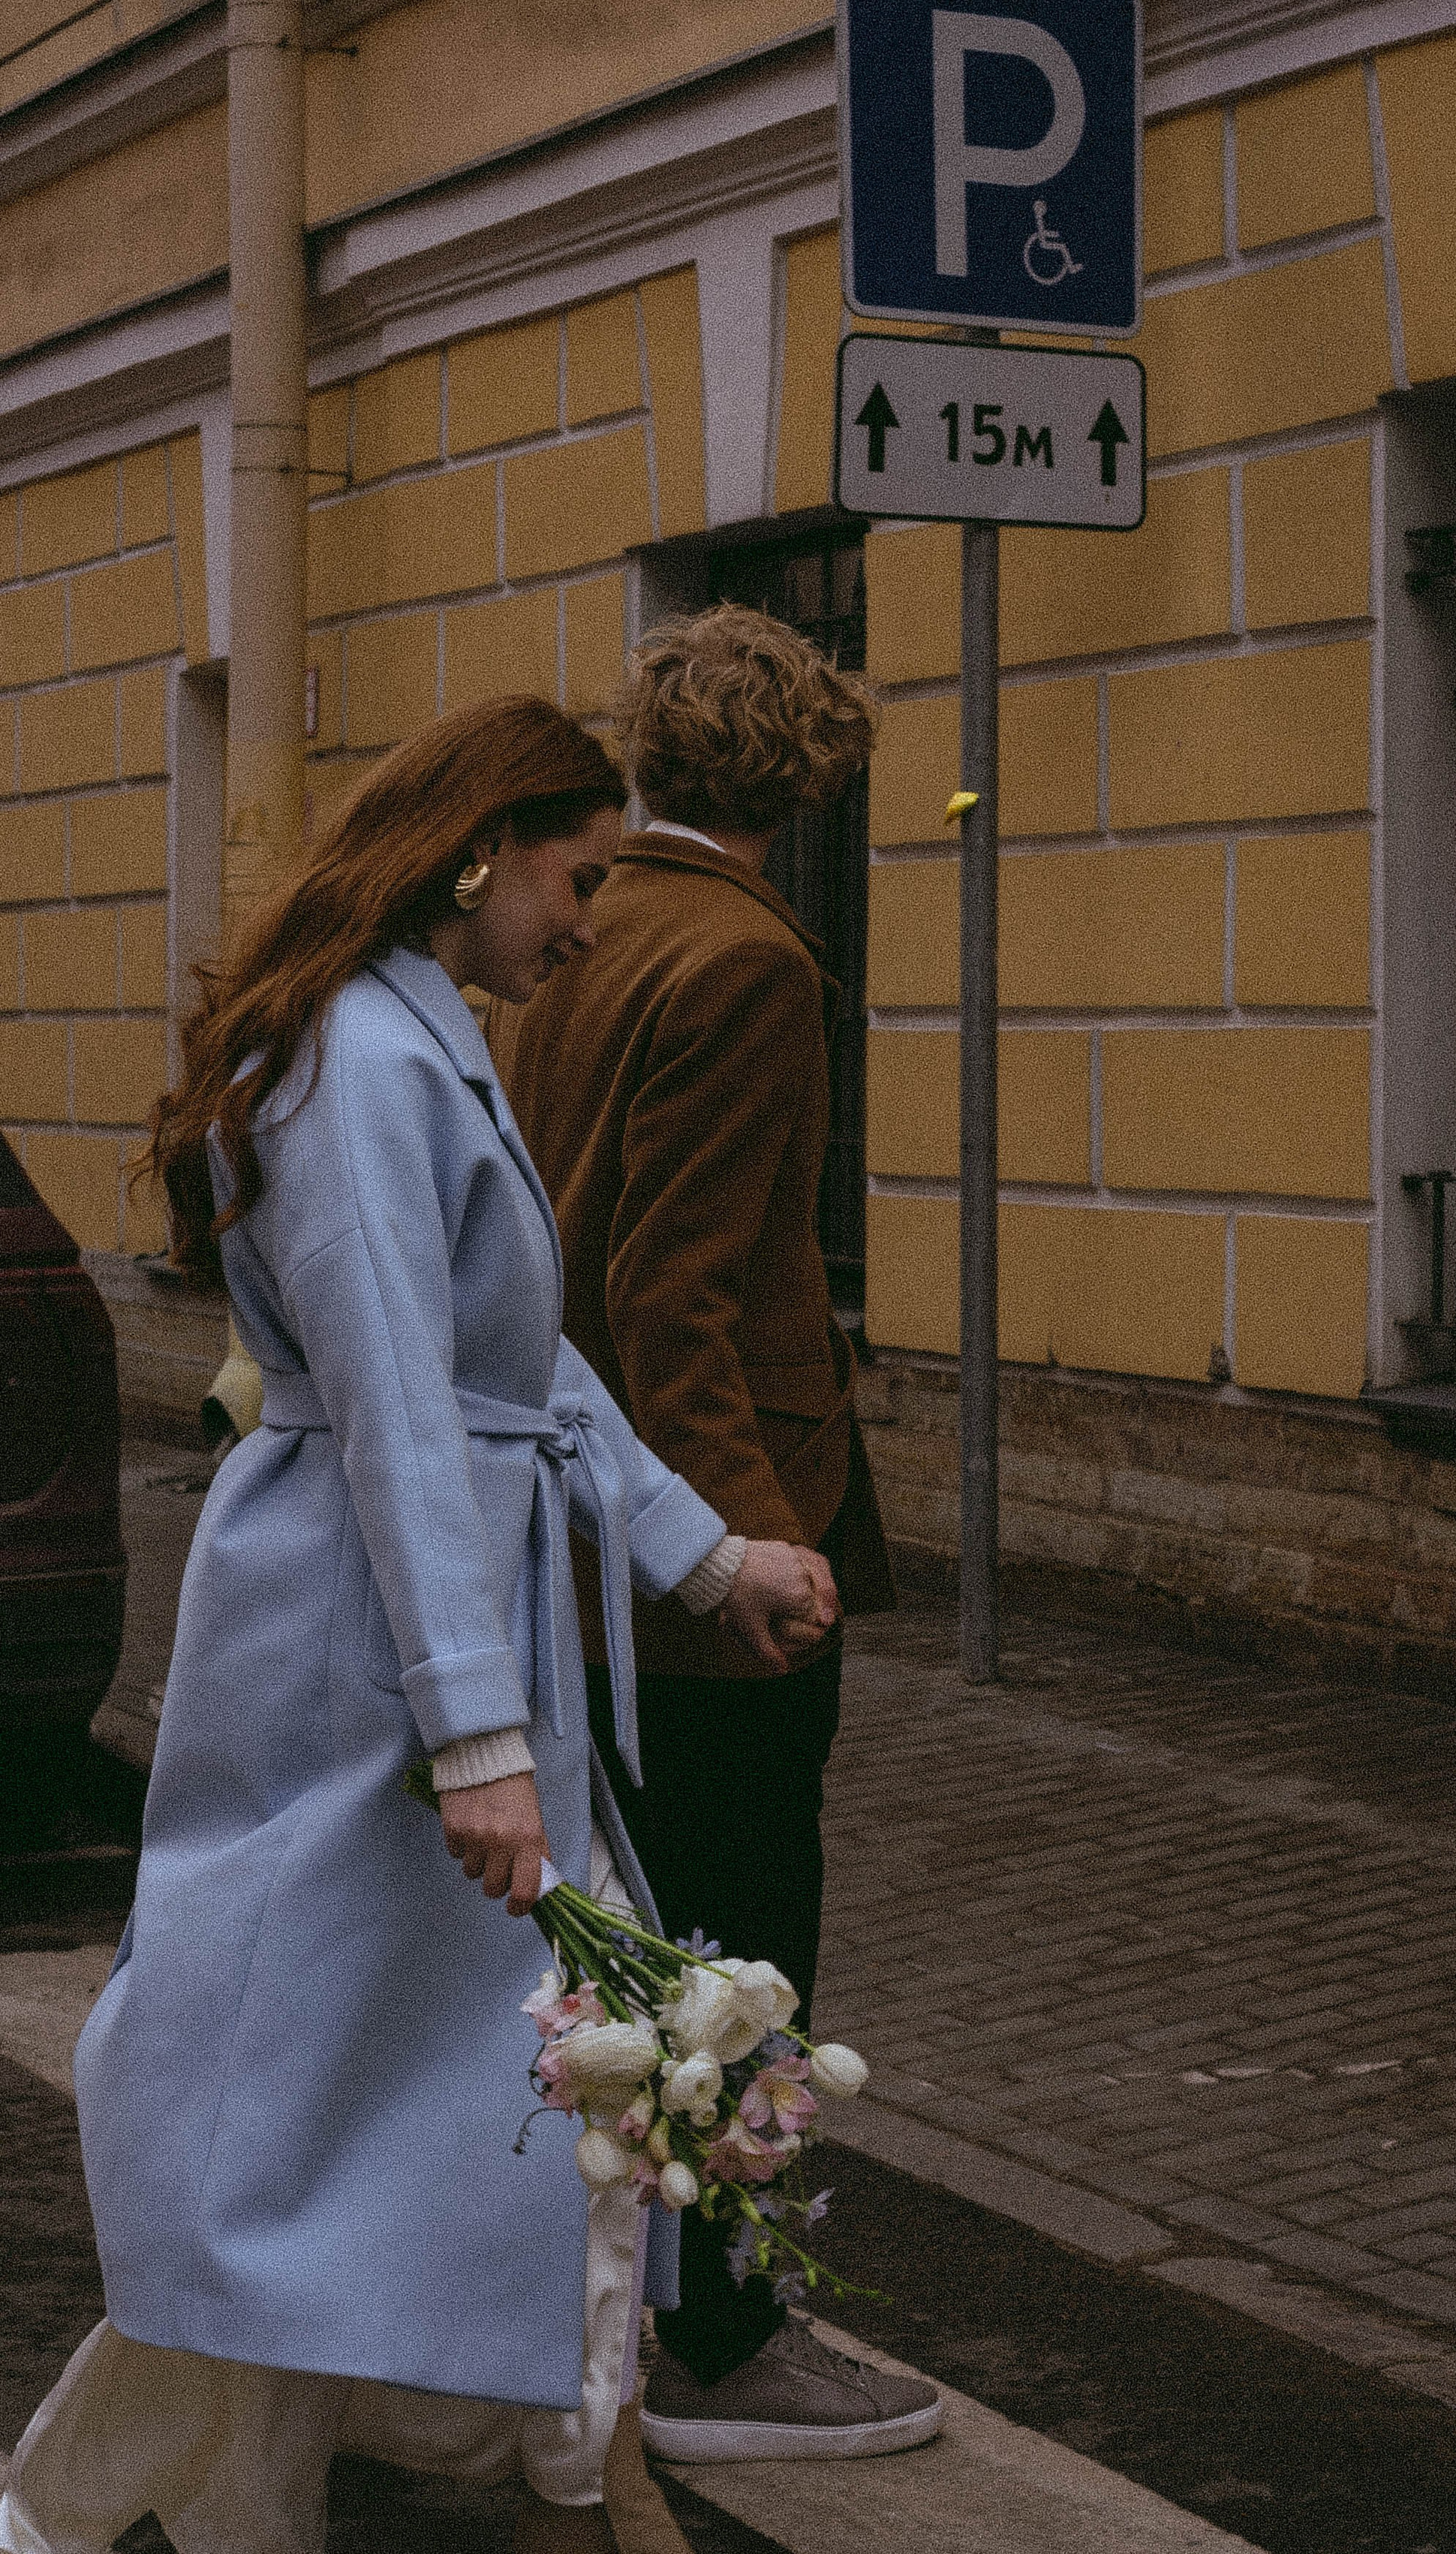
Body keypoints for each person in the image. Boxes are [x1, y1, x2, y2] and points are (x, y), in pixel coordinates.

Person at [0, 697, 836, 2554]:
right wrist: (476, 1739)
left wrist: (707, 1556)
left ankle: (523, 2452)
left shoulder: (410, 1037)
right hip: (364, 1637)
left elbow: (509, 1364)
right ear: (480, 853)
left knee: (469, 2070)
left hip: (427, 1612)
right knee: (329, 2067)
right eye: (578, 878)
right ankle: (441, 2463)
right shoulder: (363, 1063)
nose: (591, 922)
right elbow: (395, 1398)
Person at [492, 607, 939, 2465]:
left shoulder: (584, 935)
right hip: (690, 1546)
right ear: (814, 771)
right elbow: (675, 1289)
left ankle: (608, 2310)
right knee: (742, 1954)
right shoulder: (749, 962)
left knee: (631, 1950)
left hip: (576, 1524)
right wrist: (744, 1556)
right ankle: (733, 2341)